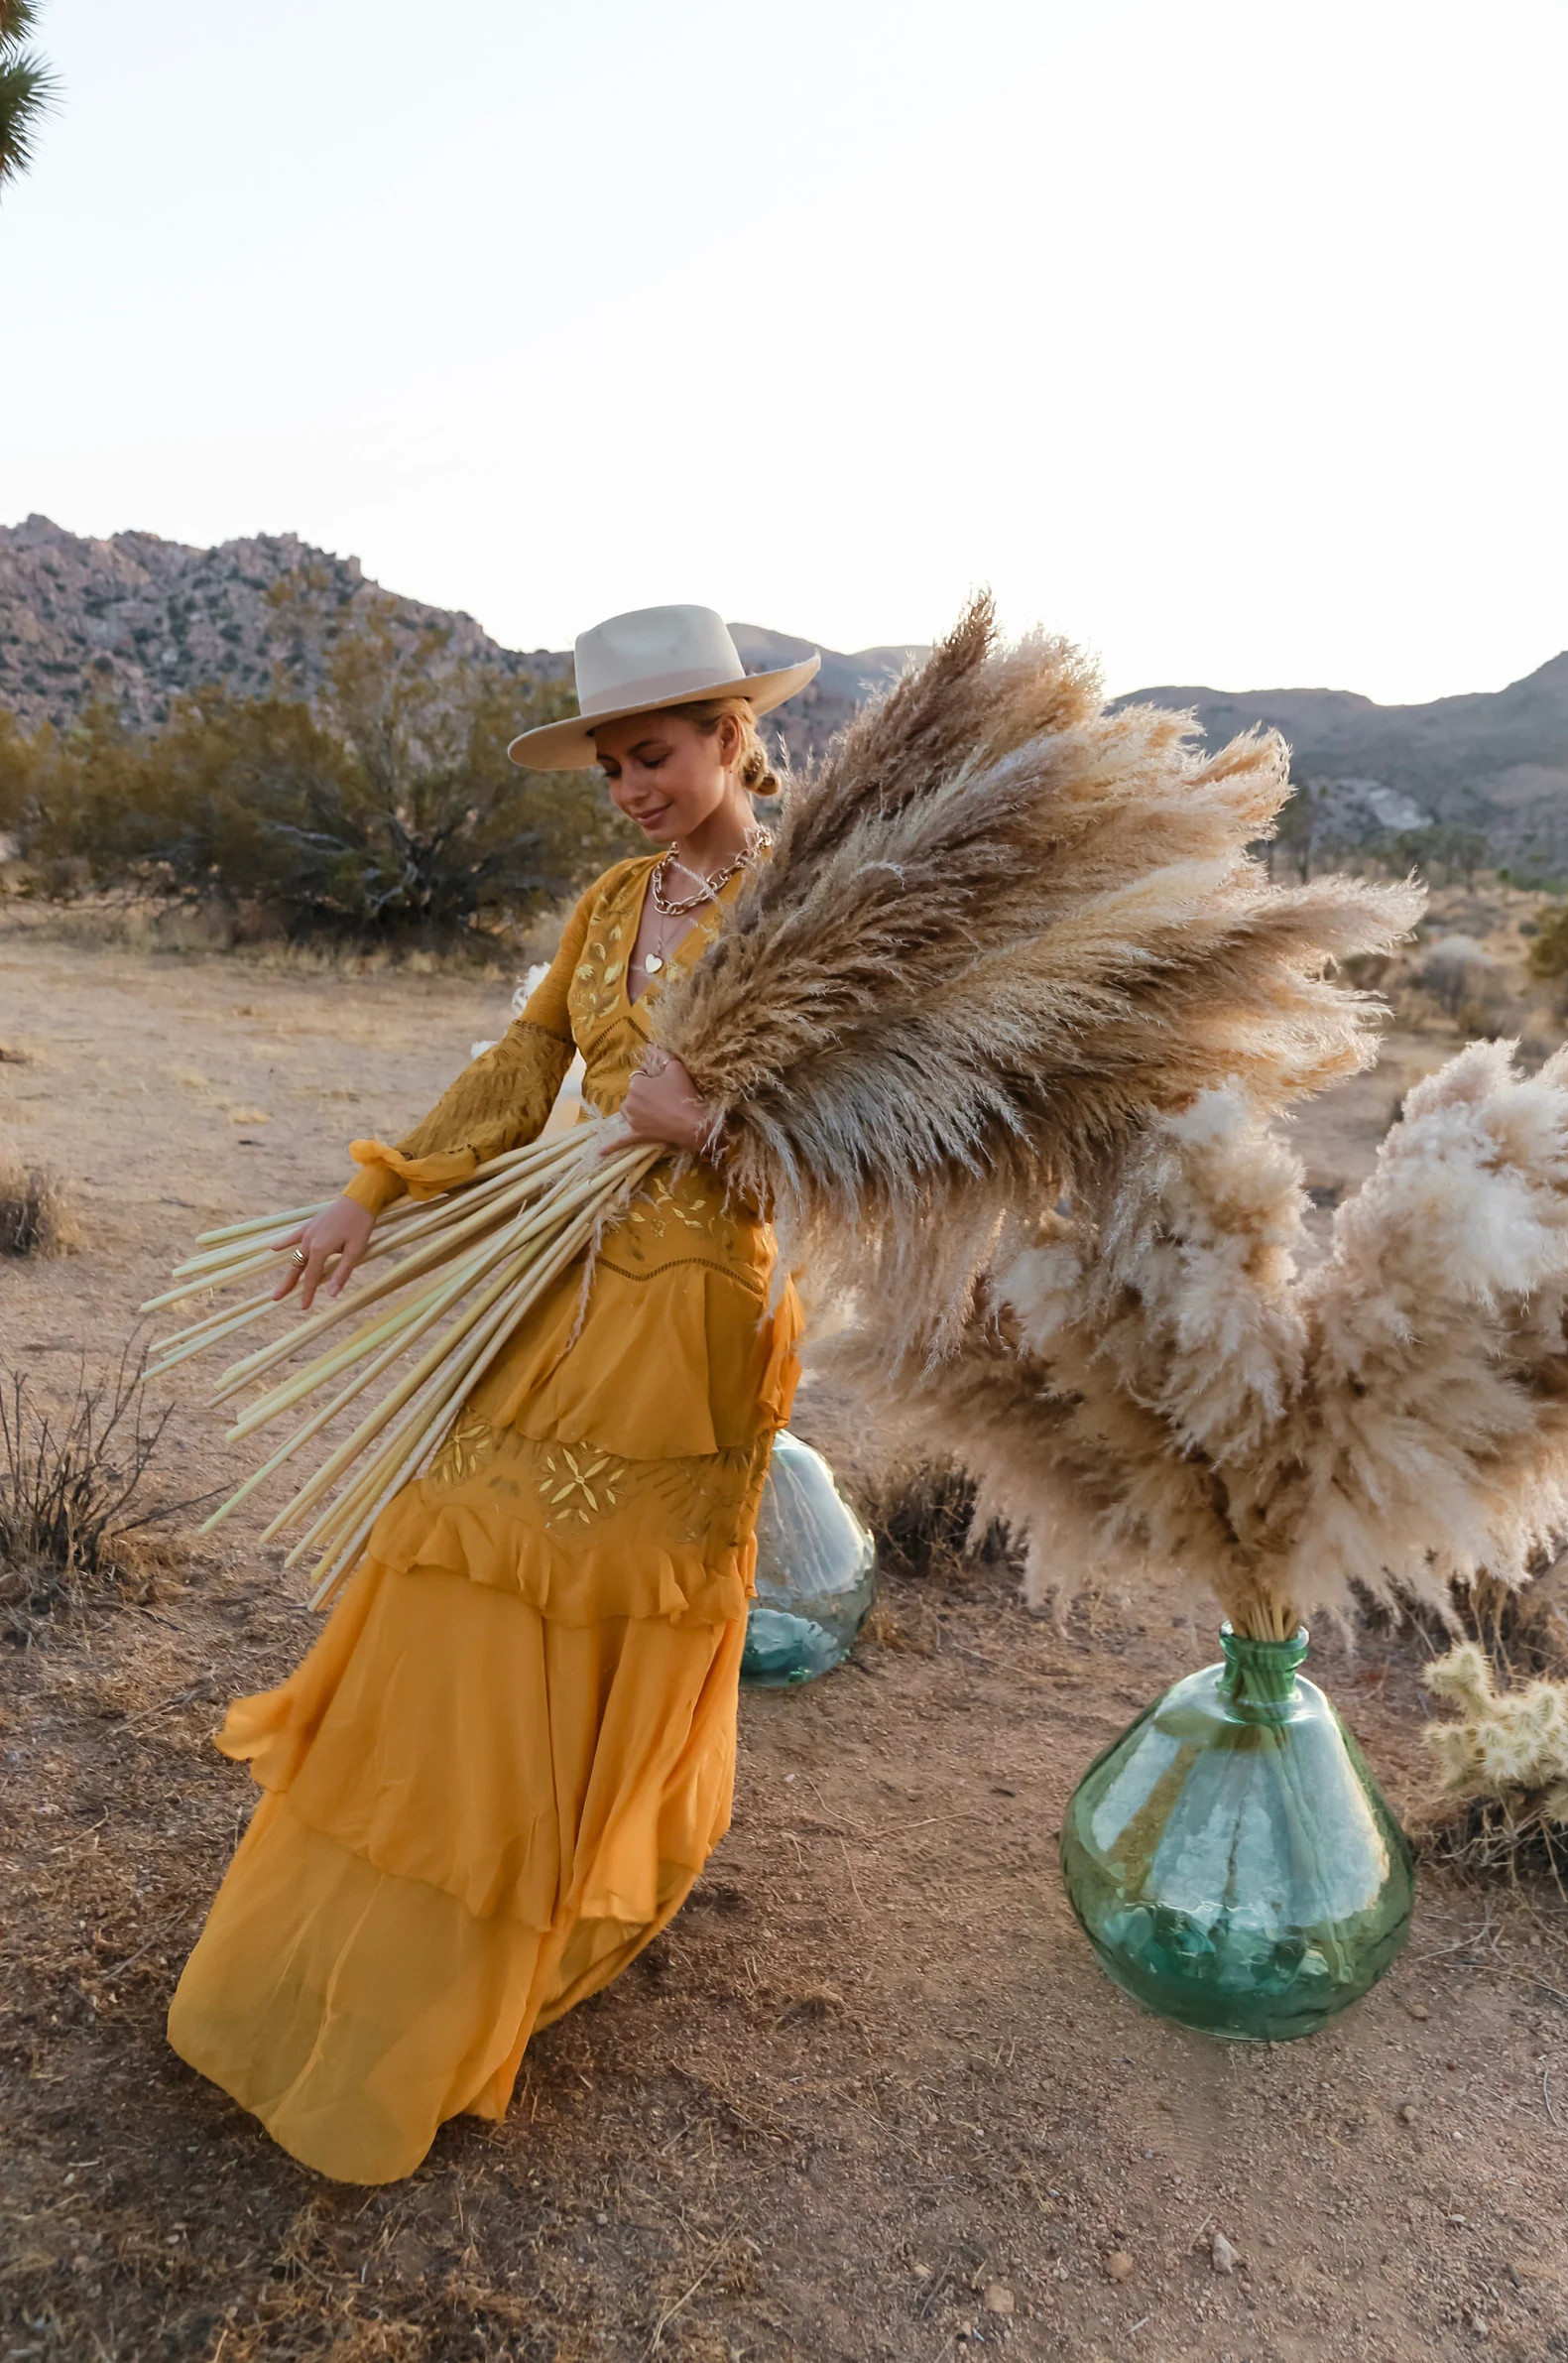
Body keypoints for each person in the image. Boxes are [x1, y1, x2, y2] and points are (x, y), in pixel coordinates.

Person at [168, 607, 818, 2183]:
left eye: (652, 755)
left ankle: (507, 1945)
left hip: (694, 1330)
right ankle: (359, 1961)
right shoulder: (611, 907)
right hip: (556, 1295)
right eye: (609, 767)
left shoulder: (815, 904)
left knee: (593, 1609)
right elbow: (520, 1075)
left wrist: (714, 1126)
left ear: (731, 731)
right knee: (457, 1572)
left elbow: (857, 1144)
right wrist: (374, 1192)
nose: (630, 790)